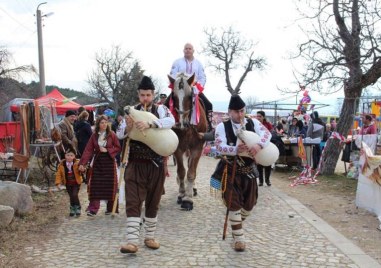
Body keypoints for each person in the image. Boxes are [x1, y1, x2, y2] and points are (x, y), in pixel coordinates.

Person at [120, 76, 175, 254]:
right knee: (133, 200)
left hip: (156, 164)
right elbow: (119, 133)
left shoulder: (161, 109)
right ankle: (131, 241)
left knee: (153, 200)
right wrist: (127, 128)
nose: (145, 99)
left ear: (153, 94)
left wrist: (151, 123)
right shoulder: (131, 112)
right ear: (138, 95)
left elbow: (171, 121)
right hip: (135, 163)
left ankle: (149, 237)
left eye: (148, 95)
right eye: (142, 95)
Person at [212, 94, 271, 252]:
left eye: (242, 111)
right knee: (234, 204)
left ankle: (236, 224)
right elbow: (219, 146)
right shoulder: (221, 127)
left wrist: (259, 145)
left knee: (249, 206)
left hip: (249, 171)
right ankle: (239, 238)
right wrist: (234, 150)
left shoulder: (254, 122)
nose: (240, 114)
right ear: (229, 112)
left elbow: (267, 134)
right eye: (236, 111)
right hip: (231, 171)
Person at [78, 115, 121, 216]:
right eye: (102, 123)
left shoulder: (112, 134)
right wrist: (82, 163)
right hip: (98, 162)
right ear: (98, 124)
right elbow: (88, 150)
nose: (104, 124)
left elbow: (118, 147)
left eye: (106, 122)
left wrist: (108, 150)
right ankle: (93, 209)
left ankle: (112, 208)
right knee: (95, 185)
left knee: (110, 185)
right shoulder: (94, 136)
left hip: (109, 163)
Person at [170, 43, 213, 130]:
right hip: (180, 90)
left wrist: (197, 88)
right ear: (183, 50)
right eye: (186, 48)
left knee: (208, 104)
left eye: (190, 48)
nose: (188, 50)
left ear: (193, 51)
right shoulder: (177, 62)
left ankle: (208, 125)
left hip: (194, 89)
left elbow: (202, 77)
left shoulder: (199, 64)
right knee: (166, 103)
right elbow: (173, 75)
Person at [55, 147, 83, 217]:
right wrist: (58, 183)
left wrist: (82, 169)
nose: (69, 157)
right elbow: (59, 174)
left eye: (71, 155)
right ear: (65, 156)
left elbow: (82, 170)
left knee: (74, 195)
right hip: (68, 183)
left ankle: (78, 207)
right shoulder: (62, 165)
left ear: (74, 156)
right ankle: (72, 208)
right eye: (68, 155)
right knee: (71, 196)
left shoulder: (77, 163)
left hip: (76, 183)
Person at [256, 111, 273, 186]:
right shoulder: (255, 124)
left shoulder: (268, 125)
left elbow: (271, 134)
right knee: (259, 164)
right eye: (257, 116)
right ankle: (260, 181)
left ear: (263, 117)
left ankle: (267, 180)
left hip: (267, 146)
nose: (258, 118)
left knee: (268, 163)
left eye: (260, 116)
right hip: (258, 146)